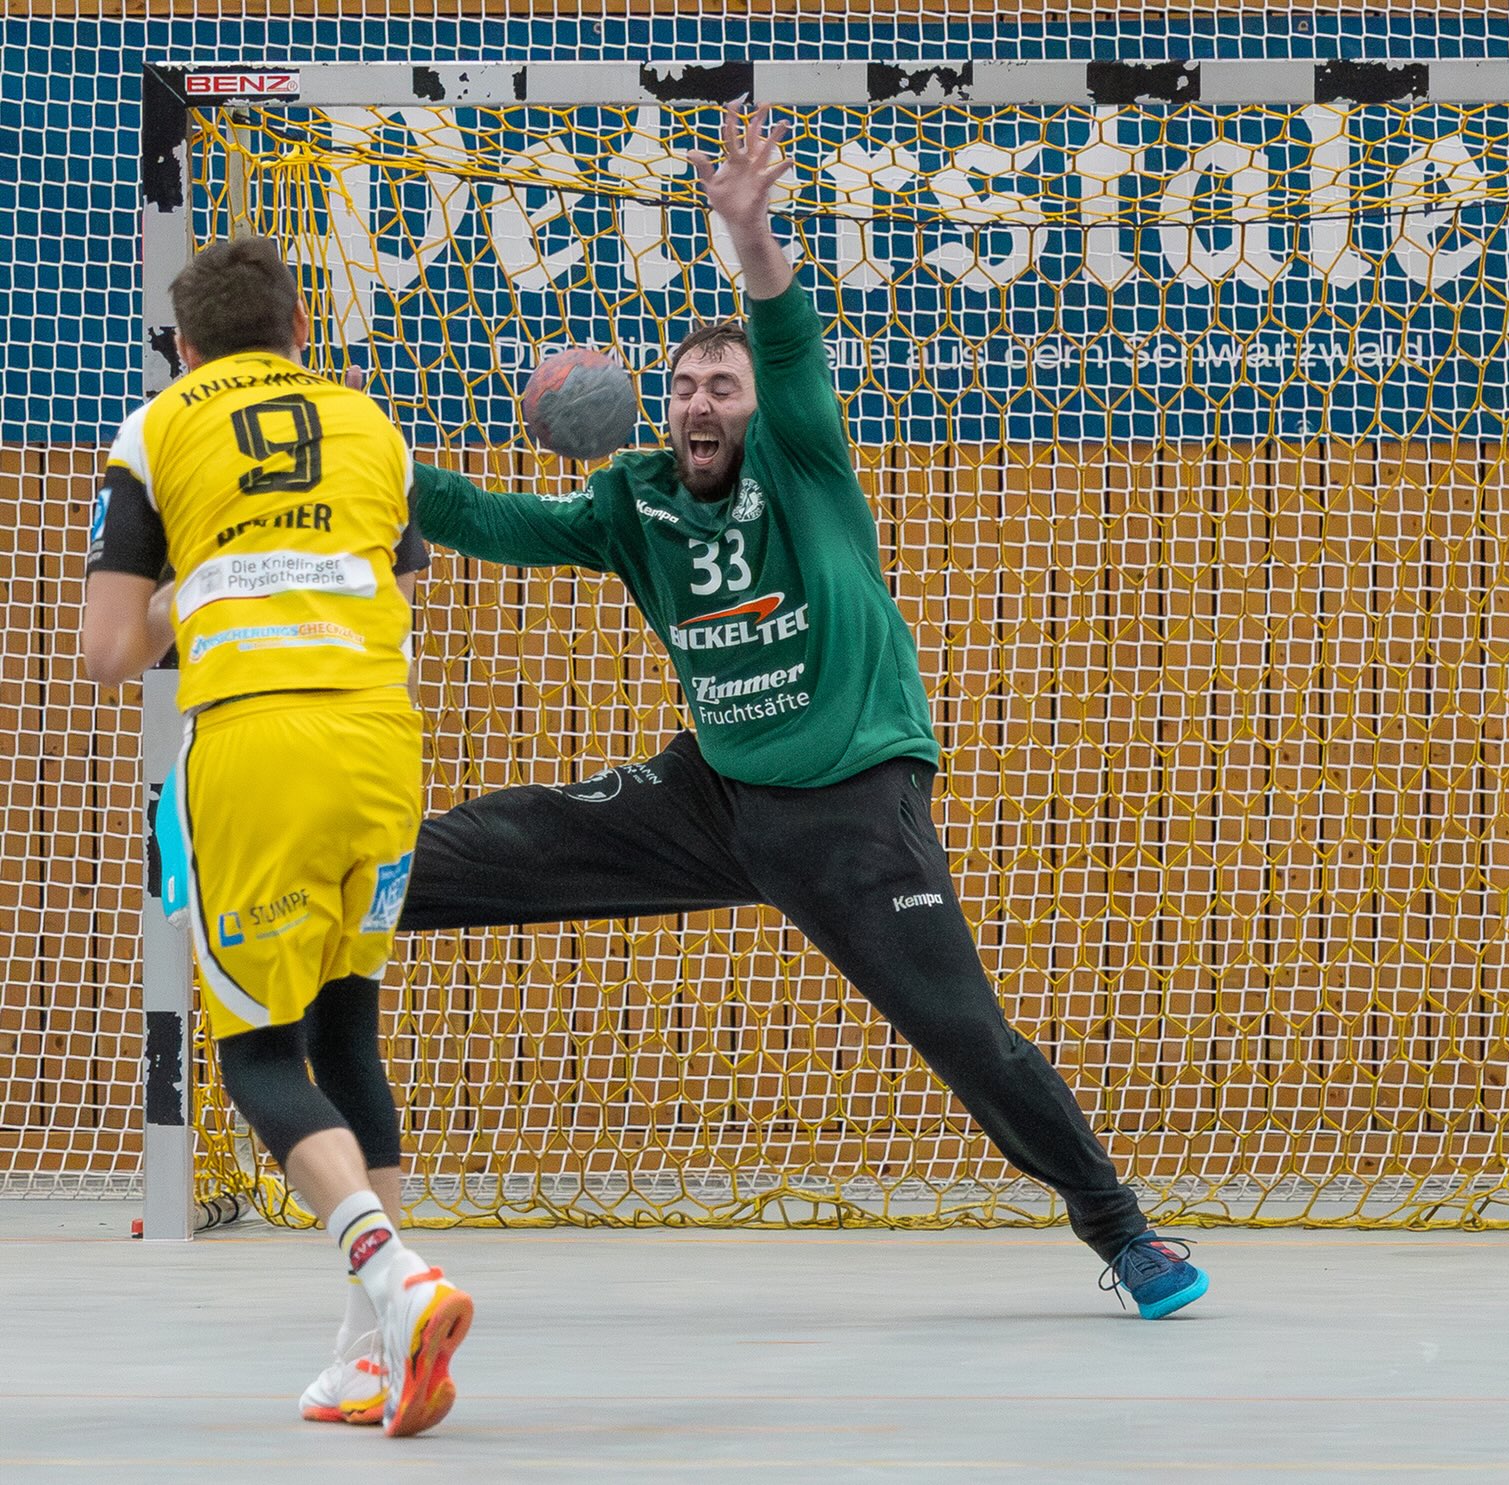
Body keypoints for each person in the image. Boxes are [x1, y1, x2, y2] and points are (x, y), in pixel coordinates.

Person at [398, 105, 1209, 1319]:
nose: (700, 402)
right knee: (490, 843)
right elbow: (485, 521)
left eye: (721, 388)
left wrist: (749, 230)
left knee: (965, 1037)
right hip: (716, 796)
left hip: (851, 808)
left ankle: (1124, 1234)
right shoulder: (632, 501)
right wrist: (360, 452)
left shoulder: (803, 459)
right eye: (683, 388)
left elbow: (783, 336)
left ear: (754, 407)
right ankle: (290, 889)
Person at [80, 235, 474, 1436]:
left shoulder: (157, 429)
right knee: (349, 1027)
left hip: (257, 748)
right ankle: (374, 1354)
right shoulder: (372, 426)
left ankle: (395, 1275)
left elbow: (109, 653)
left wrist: (199, 585)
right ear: (302, 331)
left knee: (257, 1053)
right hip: (382, 746)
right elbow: (398, 584)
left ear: (185, 345)